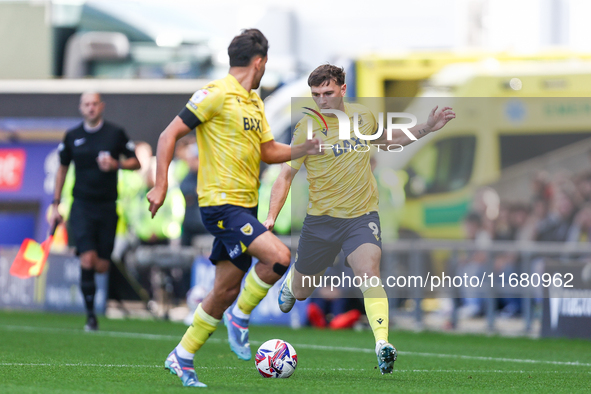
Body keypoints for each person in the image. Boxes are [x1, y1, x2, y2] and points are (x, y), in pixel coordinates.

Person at [146, 29, 320, 388]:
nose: (264, 73)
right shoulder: (215, 94)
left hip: (245, 208)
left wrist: (304, 149)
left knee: (223, 290)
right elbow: (168, 136)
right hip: (221, 205)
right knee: (279, 258)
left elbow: (268, 151)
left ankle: (182, 356)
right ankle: (240, 317)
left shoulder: (253, 103)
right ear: (259, 62)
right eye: (265, 67)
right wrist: (161, 185)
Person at [264, 64, 455, 374]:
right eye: (316, 95)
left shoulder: (362, 116)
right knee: (299, 294)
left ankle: (382, 344)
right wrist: (271, 217)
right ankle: (294, 278)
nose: (322, 100)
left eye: (327, 93)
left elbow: (387, 139)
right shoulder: (307, 128)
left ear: (342, 90)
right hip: (321, 221)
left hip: (360, 216)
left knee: (369, 270)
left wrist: (426, 127)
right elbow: (285, 175)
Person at [50, 92, 140, 331]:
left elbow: (136, 162)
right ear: (81, 108)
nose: (90, 108)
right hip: (81, 206)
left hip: (107, 206)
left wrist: (116, 164)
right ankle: (91, 316)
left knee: (101, 264)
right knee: (87, 258)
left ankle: (97, 306)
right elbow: (62, 169)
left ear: (101, 106)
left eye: (94, 104)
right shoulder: (72, 136)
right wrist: (56, 203)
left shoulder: (115, 133)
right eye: (86, 104)